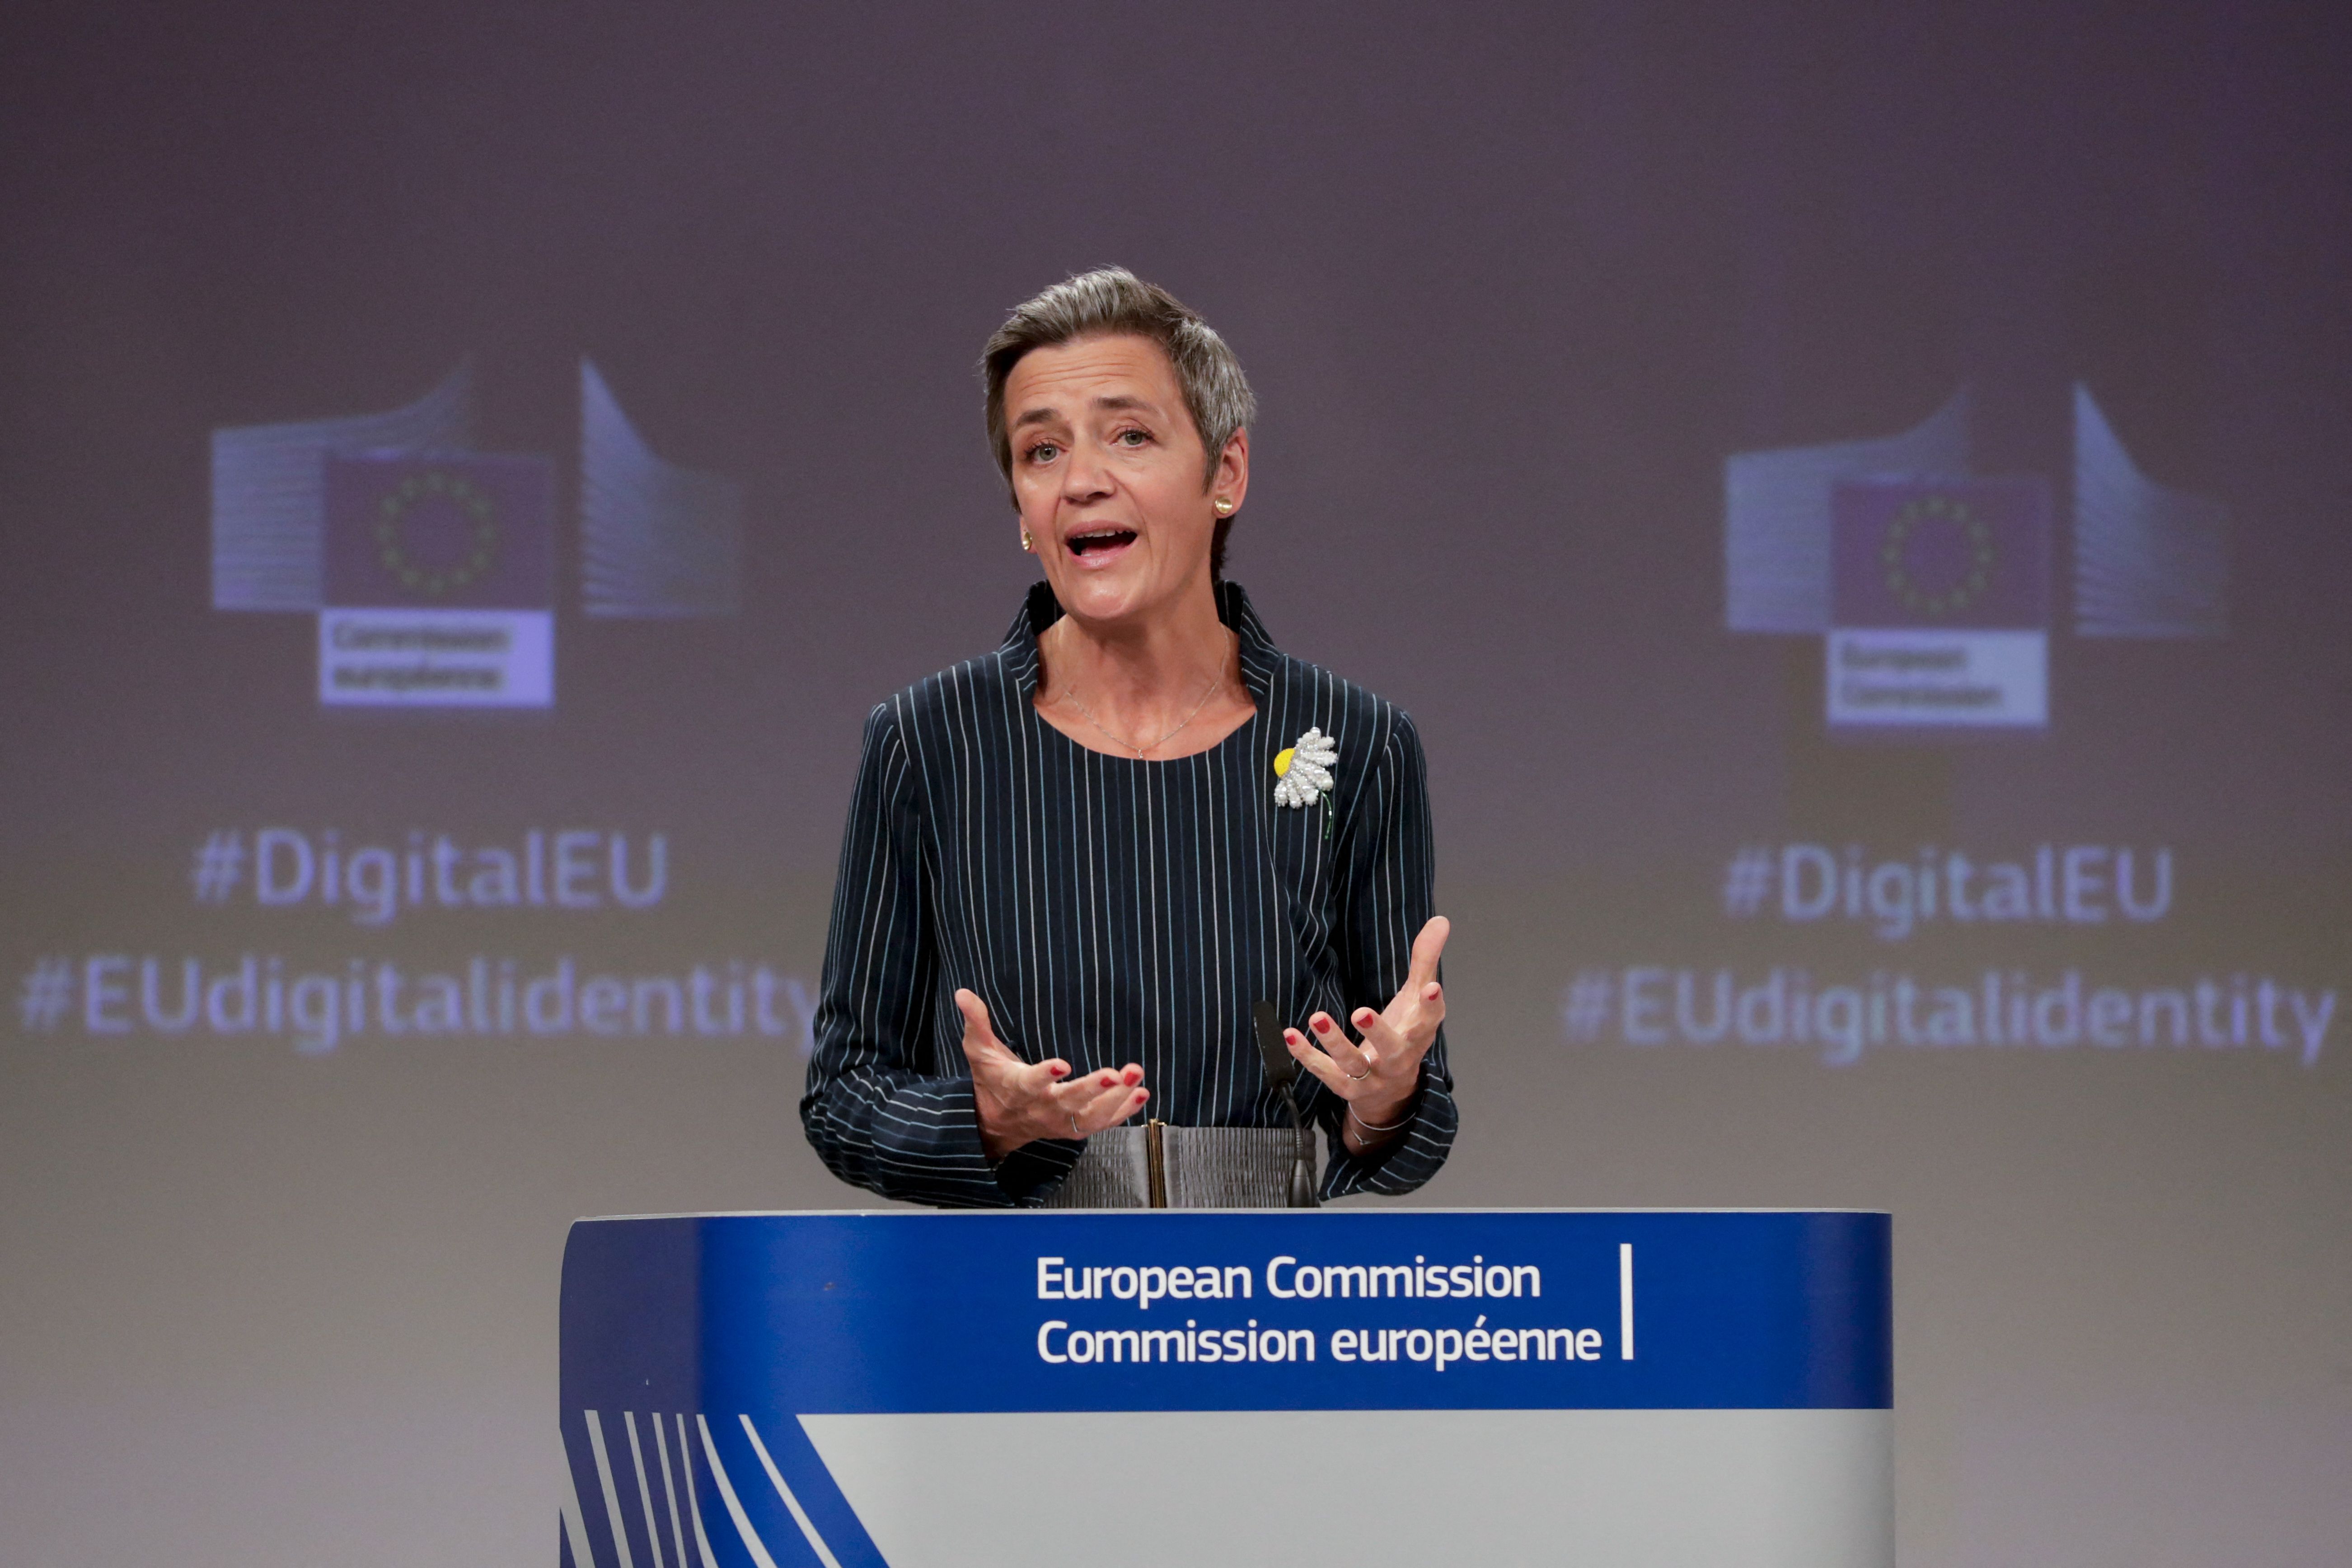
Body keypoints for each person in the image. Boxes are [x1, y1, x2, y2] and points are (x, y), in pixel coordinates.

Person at [801, 267, 1455, 1208]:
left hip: (1265, 1303)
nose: (1081, 482)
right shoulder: (929, 740)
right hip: (1020, 1304)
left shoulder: (1355, 739)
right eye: (1040, 452)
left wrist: (1383, 1097)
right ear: (1022, 513)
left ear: (1224, 473)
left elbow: (1403, 1116)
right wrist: (993, 1122)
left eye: (1130, 435)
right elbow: (844, 1095)